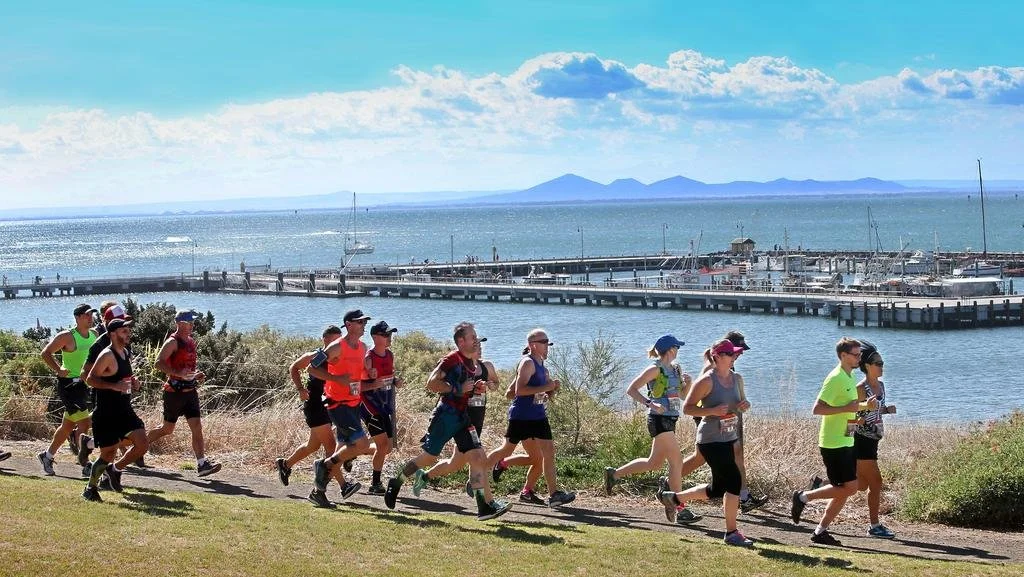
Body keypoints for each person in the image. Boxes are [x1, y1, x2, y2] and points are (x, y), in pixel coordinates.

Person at [383, 322, 512, 521]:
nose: (476, 340)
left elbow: (473, 385)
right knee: (427, 458)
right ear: (461, 341)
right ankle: (397, 481)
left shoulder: (471, 362)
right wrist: (457, 389)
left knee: (478, 458)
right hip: (446, 416)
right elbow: (431, 383)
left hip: (463, 418)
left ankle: (483, 506)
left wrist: (475, 387)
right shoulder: (451, 359)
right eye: (473, 337)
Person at [662, 339, 754, 547]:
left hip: (729, 437)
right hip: (710, 439)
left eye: (735, 354)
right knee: (734, 481)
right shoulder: (706, 381)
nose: (734, 358)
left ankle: (673, 498)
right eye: (731, 354)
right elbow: (688, 408)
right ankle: (731, 532)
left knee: (717, 489)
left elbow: (741, 404)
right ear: (718, 357)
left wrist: (744, 405)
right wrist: (711, 411)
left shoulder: (737, 378)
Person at [603, 335, 699, 523]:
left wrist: (689, 384)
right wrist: (650, 404)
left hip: (671, 419)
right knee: (676, 462)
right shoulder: (654, 369)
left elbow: (681, 395)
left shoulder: (676, 370)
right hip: (658, 420)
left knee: (653, 463)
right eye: (677, 347)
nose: (678, 350)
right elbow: (631, 389)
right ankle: (679, 508)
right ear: (671, 350)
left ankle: (614, 474)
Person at [791, 337, 874, 546]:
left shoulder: (849, 376)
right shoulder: (835, 378)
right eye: (855, 355)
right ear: (843, 356)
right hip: (833, 443)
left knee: (845, 490)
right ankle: (803, 497)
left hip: (847, 439)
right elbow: (817, 409)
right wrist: (849, 409)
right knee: (850, 488)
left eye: (860, 355)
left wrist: (863, 408)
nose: (859, 358)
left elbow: (848, 407)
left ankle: (820, 531)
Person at [488, 329, 576, 508]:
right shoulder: (527, 363)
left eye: (548, 343)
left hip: (538, 416)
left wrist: (549, 390)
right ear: (532, 345)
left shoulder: (543, 367)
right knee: (507, 449)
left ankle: (553, 495)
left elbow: (524, 391)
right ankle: (477, 474)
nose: (547, 346)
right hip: (522, 416)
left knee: (546, 453)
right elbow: (518, 392)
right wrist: (546, 385)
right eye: (544, 342)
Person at [306, 309, 372, 507]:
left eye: (364, 321)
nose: (364, 325)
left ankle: (318, 492)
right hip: (338, 404)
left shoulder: (363, 347)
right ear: (349, 325)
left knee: (340, 452)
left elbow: (357, 375)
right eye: (360, 322)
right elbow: (312, 368)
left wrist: (369, 374)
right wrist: (336, 379)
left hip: (354, 403)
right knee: (362, 445)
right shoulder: (337, 347)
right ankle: (323, 465)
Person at [146, 310, 221, 477]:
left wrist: (196, 375)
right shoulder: (172, 342)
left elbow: (187, 368)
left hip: (190, 392)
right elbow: (158, 363)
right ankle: (138, 447)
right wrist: (178, 373)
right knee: (167, 429)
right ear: (179, 323)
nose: (193, 325)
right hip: (174, 393)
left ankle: (202, 464)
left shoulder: (191, 341)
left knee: (197, 427)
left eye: (193, 322)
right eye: (189, 322)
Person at [82, 318, 149, 501]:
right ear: (112, 334)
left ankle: (116, 469)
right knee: (107, 454)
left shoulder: (126, 353)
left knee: (142, 443)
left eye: (128, 330)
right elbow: (90, 379)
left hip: (125, 409)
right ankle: (90, 488)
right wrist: (114, 386)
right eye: (123, 331)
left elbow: (125, 376)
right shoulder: (106, 355)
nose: (128, 334)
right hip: (106, 413)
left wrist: (134, 382)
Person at [423, 336, 496, 496]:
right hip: (463, 420)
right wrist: (464, 389)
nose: (480, 347)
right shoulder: (459, 368)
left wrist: (490, 385)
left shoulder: (487, 367)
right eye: (476, 345)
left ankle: (424, 477)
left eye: (481, 344)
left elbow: (496, 384)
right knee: (478, 458)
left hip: (477, 419)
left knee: (454, 464)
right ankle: (482, 498)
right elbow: (444, 389)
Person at [275, 325, 343, 487]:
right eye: (335, 340)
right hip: (314, 405)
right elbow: (294, 367)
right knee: (331, 447)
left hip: (329, 405)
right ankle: (340, 486)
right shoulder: (315, 356)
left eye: (340, 340)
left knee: (312, 445)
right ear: (325, 340)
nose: (338, 344)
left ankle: (285, 465)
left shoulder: (340, 358)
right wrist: (300, 389)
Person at [38, 303, 98, 476]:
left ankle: (47, 456)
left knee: (67, 426)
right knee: (85, 423)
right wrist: (58, 370)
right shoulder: (67, 336)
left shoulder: (94, 334)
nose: (90, 318)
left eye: (91, 315)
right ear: (78, 318)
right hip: (70, 385)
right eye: (87, 315)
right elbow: (46, 353)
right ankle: (85, 463)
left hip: (86, 384)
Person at [854, 340, 897, 539]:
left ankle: (818, 486)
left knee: (859, 485)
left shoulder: (881, 385)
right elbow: (851, 418)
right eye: (878, 363)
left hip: (874, 440)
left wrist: (886, 410)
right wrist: (860, 419)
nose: (882, 366)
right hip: (861, 440)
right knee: (876, 483)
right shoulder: (861, 388)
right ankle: (874, 525)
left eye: (882, 363)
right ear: (867, 366)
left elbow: (875, 411)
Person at [361, 320, 404, 495]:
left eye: (390, 334)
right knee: (382, 445)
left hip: (384, 404)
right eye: (386, 335)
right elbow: (358, 386)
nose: (389, 338)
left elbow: (388, 376)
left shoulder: (389, 355)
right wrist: (372, 383)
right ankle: (375, 483)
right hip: (370, 405)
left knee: (389, 447)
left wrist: (396, 381)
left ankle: (352, 450)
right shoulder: (368, 358)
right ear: (375, 337)